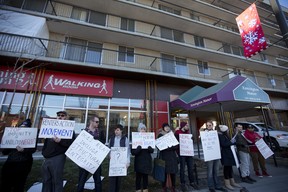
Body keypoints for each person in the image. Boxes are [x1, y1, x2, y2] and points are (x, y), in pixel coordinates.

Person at [41, 111, 76, 192]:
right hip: (47, 157)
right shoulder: (50, 127)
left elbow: (71, 144)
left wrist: (60, 141)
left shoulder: (69, 129)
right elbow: (46, 142)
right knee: (46, 180)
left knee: (56, 180)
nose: (60, 116)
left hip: (58, 157)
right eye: (58, 115)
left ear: (66, 117)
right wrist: (44, 152)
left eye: (62, 115)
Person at [0, 119, 36, 192]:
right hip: (10, 162)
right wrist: (6, 143)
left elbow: (33, 150)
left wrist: (24, 150)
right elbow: (5, 152)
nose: (23, 129)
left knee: (19, 184)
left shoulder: (31, 138)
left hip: (24, 163)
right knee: (6, 183)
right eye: (22, 127)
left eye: (25, 128)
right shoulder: (13, 137)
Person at [77, 116, 105, 192]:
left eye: (98, 122)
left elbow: (103, 142)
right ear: (91, 122)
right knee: (82, 179)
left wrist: (97, 142)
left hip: (96, 160)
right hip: (85, 159)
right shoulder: (84, 132)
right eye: (96, 122)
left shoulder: (100, 132)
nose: (98, 123)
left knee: (97, 179)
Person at [202, 121, 227, 192]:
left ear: (212, 126)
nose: (209, 126)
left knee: (216, 171)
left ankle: (218, 185)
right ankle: (211, 187)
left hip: (216, 154)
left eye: (210, 125)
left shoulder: (217, 133)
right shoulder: (204, 134)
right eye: (207, 125)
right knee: (210, 172)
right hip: (209, 155)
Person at [174, 122, 198, 192]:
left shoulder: (188, 133)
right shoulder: (177, 133)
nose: (187, 126)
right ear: (183, 126)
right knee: (182, 168)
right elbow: (175, 142)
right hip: (181, 153)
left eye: (187, 125)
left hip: (189, 153)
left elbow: (190, 142)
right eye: (186, 125)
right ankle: (183, 183)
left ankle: (192, 182)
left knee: (190, 168)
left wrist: (191, 139)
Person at [131, 123, 154, 192]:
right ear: (139, 130)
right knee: (138, 177)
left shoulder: (148, 139)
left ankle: (145, 189)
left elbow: (152, 151)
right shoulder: (135, 139)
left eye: (144, 129)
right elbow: (133, 152)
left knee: (145, 177)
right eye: (141, 129)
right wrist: (138, 149)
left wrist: (150, 148)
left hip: (146, 161)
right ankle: (138, 189)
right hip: (139, 161)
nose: (143, 130)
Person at [218, 125, 241, 190]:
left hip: (229, 153)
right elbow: (224, 144)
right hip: (225, 154)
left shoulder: (225, 135)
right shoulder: (221, 136)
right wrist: (231, 142)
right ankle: (227, 183)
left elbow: (227, 143)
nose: (228, 131)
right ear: (225, 130)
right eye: (227, 130)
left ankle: (232, 182)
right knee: (226, 168)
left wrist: (232, 142)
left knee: (230, 168)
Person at [108, 124, 130, 192]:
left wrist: (128, 162)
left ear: (121, 131)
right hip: (113, 164)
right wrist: (109, 155)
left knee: (119, 181)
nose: (116, 131)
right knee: (112, 181)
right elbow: (109, 149)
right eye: (115, 130)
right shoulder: (111, 139)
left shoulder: (125, 139)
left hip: (121, 163)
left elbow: (128, 151)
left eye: (117, 130)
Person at [157, 123, 178, 192]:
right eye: (165, 127)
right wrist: (170, 147)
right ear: (163, 128)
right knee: (164, 173)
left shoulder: (172, 135)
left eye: (168, 127)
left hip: (172, 157)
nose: (167, 128)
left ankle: (173, 186)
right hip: (164, 157)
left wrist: (168, 147)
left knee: (173, 172)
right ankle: (164, 187)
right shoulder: (160, 135)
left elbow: (176, 146)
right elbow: (160, 147)